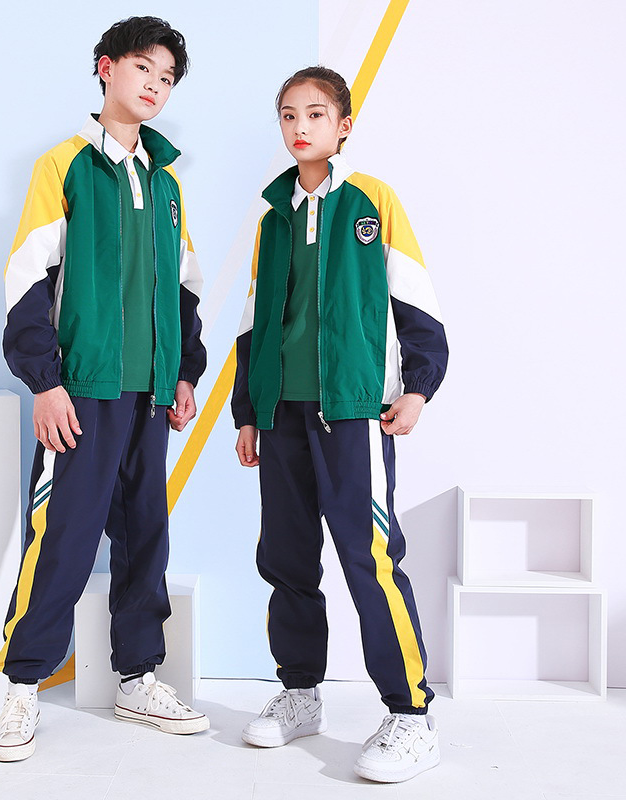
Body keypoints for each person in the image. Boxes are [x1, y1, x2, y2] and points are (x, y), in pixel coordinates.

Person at [0, 16, 209, 762]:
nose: (154, 85)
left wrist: (184, 370)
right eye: (143, 68)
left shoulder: (167, 181)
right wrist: (45, 383)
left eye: (167, 78)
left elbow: (183, 287)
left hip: (150, 394)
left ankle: (137, 678)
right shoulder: (64, 167)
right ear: (106, 68)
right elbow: (27, 279)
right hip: (82, 390)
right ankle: (23, 683)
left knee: (146, 536)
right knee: (62, 536)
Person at [231, 66, 448, 784]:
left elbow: (416, 303)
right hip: (282, 415)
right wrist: (248, 413)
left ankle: (411, 716)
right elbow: (255, 324)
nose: (301, 127)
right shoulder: (273, 217)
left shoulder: (371, 201)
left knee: (369, 557)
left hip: (355, 411)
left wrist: (417, 388)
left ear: (343, 125)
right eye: (289, 115)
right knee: (287, 557)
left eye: (316, 114)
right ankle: (300, 693)